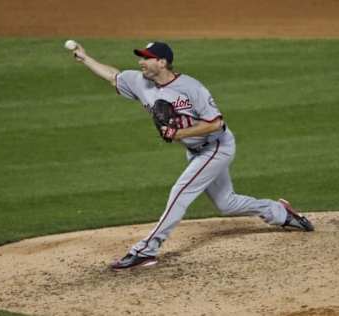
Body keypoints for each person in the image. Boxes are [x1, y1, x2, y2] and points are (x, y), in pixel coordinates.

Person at [69, 41, 314, 270]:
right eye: (141, 58)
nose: (141, 62)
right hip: (195, 151)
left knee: (181, 191)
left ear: (162, 63)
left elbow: (216, 123)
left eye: (147, 58)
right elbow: (113, 76)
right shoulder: (139, 82)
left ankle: (146, 250)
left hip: (216, 146)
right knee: (226, 203)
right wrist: (85, 58)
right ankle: (280, 213)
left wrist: (178, 133)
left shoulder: (191, 88)